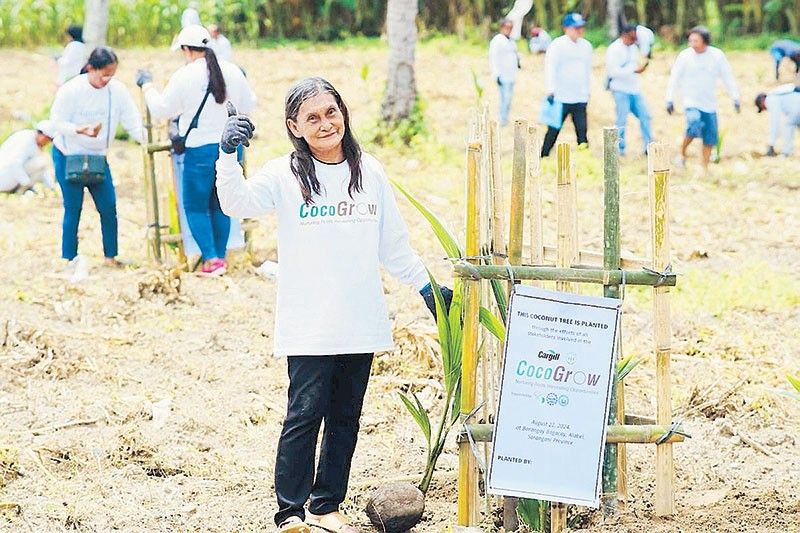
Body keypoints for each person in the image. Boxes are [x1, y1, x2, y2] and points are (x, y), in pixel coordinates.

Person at [215, 77, 453, 533]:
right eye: (312, 118)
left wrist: (428, 289)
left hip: (360, 319)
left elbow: (394, 246)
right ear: (294, 126)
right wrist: (228, 154)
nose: (325, 123)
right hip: (309, 322)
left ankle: (326, 506)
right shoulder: (284, 175)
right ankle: (290, 512)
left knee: (345, 418)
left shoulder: (371, 171)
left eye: (331, 112)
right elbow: (235, 203)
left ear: (343, 113)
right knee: (304, 415)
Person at [137, 25, 257, 276]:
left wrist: (147, 87)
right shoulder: (232, 71)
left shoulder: (185, 75)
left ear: (185, 50)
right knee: (221, 203)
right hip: (229, 148)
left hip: (198, 151)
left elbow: (161, 110)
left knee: (195, 206)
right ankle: (220, 258)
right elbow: (249, 104)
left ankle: (212, 259)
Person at [50, 47, 144, 267]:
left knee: (108, 206)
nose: (107, 79)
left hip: (97, 157)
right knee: (73, 207)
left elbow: (132, 120)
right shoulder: (71, 89)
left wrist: (146, 139)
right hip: (69, 154)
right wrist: (79, 130)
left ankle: (110, 256)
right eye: (103, 74)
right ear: (90, 68)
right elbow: (56, 122)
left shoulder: (117, 91)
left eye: (111, 74)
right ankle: (69, 258)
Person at [665, 26, 740, 172]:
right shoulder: (685, 56)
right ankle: (681, 153)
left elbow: (727, 77)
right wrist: (669, 98)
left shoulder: (717, 56)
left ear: (704, 41)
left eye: (695, 40)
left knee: (710, 137)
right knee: (693, 125)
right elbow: (674, 78)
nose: (692, 43)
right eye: (690, 40)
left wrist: (735, 97)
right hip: (691, 101)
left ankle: (704, 167)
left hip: (710, 103)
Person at [541, 12, 593, 157]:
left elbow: (588, 70)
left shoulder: (586, 46)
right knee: (553, 129)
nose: (579, 30)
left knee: (582, 131)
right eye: (576, 28)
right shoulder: (557, 45)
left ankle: (584, 158)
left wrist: (588, 90)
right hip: (560, 96)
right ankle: (543, 155)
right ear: (567, 28)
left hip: (579, 96)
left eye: (581, 27)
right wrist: (550, 89)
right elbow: (550, 67)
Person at [605, 24, 653, 156]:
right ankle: (619, 149)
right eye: (632, 37)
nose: (634, 40)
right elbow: (613, 72)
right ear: (625, 35)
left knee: (646, 116)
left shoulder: (633, 48)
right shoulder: (614, 49)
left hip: (634, 89)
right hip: (620, 89)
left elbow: (636, 64)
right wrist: (633, 70)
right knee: (621, 120)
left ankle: (649, 147)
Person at [0, 121, 56, 194]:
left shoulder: (30, 138)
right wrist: (27, 184)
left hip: (8, 178)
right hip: (4, 178)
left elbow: (43, 172)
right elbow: (14, 164)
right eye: (48, 140)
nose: (47, 143)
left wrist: (52, 187)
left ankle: (23, 189)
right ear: (44, 136)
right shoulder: (27, 141)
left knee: (42, 164)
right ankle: (21, 191)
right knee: (41, 162)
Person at [489, 18, 520, 127]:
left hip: (511, 75)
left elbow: (515, 55)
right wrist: (496, 74)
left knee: (509, 99)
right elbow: (493, 57)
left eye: (511, 28)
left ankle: (505, 119)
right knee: (505, 99)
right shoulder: (498, 40)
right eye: (507, 27)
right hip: (502, 76)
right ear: (502, 27)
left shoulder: (511, 41)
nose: (509, 30)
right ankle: (502, 121)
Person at [755, 85, 800, 157]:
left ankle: (786, 152)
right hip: (797, 105)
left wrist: (771, 144)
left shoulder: (770, 100)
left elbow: (775, 123)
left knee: (788, 125)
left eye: (762, 108)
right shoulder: (776, 94)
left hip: (798, 106)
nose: (764, 109)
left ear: (762, 101)